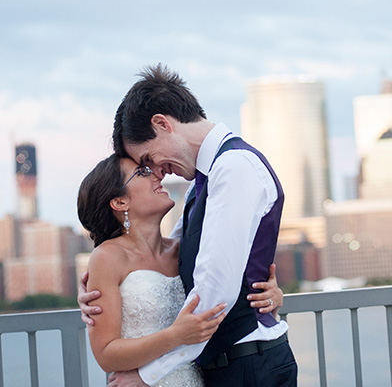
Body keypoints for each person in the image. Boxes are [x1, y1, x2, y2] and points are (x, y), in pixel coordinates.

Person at [79, 64, 297, 387]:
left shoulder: (232, 168)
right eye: (145, 168)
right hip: (225, 369)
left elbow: (213, 296)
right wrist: (95, 292)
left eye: (149, 158)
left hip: (250, 366)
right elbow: (174, 259)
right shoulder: (201, 185)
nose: (158, 172)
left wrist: (147, 375)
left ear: (162, 124)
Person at [77, 154, 284, 386]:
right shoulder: (107, 257)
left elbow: (224, 293)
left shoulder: (184, 250)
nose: (157, 175)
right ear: (119, 202)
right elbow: (106, 354)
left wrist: (270, 299)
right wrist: (174, 336)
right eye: (142, 173)